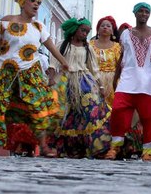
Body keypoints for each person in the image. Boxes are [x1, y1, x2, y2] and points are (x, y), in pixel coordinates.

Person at [0, 0, 69, 157]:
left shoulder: (38, 27)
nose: (36, 5)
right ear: (23, 1)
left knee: (38, 107)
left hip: (29, 73)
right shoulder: (5, 22)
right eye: (32, 1)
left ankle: (44, 146)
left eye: (39, 3)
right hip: (5, 71)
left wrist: (64, 62)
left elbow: (51, 47)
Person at [105, 2, 151, 161]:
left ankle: (150, 152)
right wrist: (116, 76)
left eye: (146, 12)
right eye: (140, 11)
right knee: (118, 111)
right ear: (135, 14)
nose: (143, 14)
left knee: (150, 117)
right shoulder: (126, 34)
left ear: (149, 14)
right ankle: (115, 147)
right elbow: (123, 56)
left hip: (150, 81)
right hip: (128, 79)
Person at [48, 17, 111, 158]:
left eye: (87, 32)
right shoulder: (62, 45)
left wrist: (100, 86)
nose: (84, 34)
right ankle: (63, 148)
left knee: (90, 111)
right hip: (64, 81)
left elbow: (94, 69)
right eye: (83, 30)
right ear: (75, 29)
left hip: (84, 81)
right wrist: (51, 79)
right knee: (64, 115)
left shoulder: (88, 48)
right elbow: (53, 64)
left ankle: (93, 146)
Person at [89, 16, 122, 106]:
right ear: (98, 30)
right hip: (93, 79)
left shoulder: (117, 47)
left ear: (112, 31)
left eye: (108, 26)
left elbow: (120, 66)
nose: (105, 27)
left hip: (112, 81)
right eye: (102, 25)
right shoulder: (90, 45)